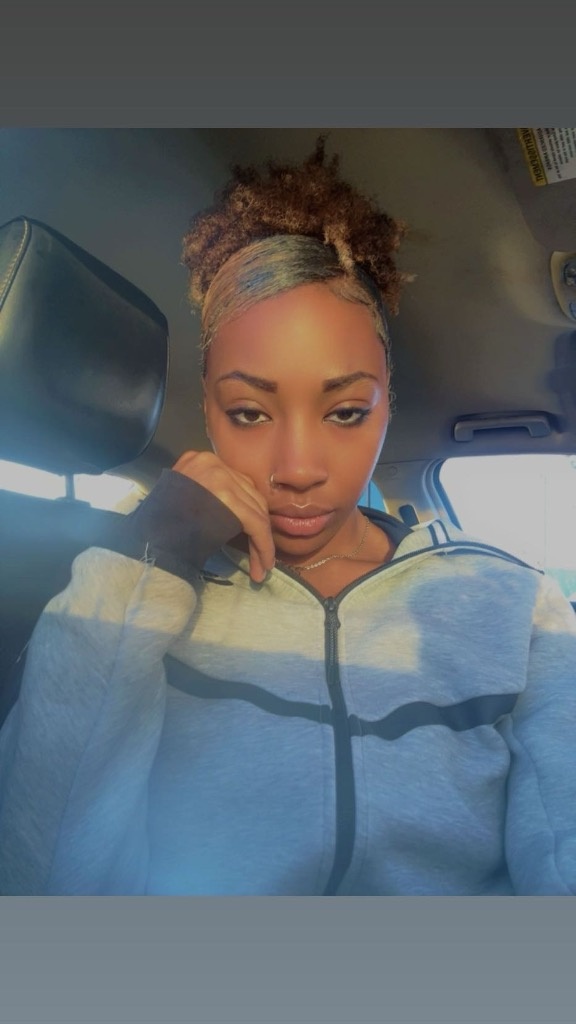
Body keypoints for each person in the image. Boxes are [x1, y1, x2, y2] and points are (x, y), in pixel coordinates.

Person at [0, 139, 575, 895]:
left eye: (345, 411)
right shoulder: (134, 600)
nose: (298, 469)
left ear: (388, 407)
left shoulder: (515, 606)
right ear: (208, 411)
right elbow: (43, 876)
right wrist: (147, 559)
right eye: (248, 411)